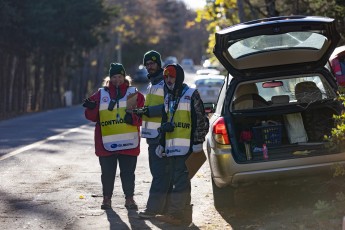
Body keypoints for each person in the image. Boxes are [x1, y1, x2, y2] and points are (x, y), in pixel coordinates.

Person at [83, 63, 145, 210]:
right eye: (114, 77)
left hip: (129, 143)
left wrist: (134, 119)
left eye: (119, 76)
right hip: (106, 143)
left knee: (128, 173)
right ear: (109, 78)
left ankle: (129, 199)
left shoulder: (132, 94)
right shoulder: (101, 94)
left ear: (124, 77)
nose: (117, 79)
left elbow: (143, 115)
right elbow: (90, 116)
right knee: (107, 174)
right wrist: (91, 109)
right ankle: (106, 200)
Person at [155, 63, 209, 226]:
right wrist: (161, 143)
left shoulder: (191, 94)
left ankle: (174, 214)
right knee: (181, 181)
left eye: (171, 76)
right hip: (172, 149)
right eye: (166, 77)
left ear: (178, 77)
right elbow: (165, 122)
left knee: (180, 181)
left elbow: (202, 120)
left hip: (187, 148)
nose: (168, 80)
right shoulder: (168, 97)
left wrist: (198, 141)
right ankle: (185, 218)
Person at [138, 50, 172, 218]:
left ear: (159, 64)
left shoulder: (164, 83)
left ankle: (153, 210)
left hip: (161, 136)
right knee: (160, 174)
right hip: (152, 136)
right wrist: (142, 112)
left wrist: (148, 111)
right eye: (147, 64)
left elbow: (170, 106)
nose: (149, 67)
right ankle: (165, 209)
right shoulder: (152, 84)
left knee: (159, 174)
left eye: (152, 63)